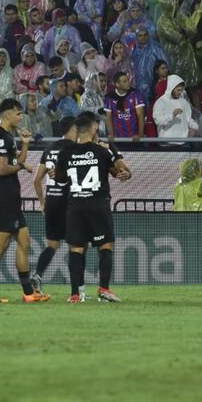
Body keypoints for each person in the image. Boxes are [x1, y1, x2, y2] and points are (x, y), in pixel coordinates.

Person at [54, 112, 132, 303]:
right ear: (94, 128)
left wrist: (56, 174)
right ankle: (104, 289)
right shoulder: (101, 151)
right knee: (105, 246)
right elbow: (118, 173)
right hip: (98, 205)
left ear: (76, 130)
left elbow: (60, 178)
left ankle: (75, 294)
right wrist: (123, 174)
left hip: (75, 207)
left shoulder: (65, 153)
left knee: (76, 249)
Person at [0, 98, 49, 303]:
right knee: (1, 243)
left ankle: (28, 293)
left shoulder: (7, 136)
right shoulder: (0, 138)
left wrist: (25, 145)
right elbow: (1, 169)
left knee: (23, 241)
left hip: (10, 196)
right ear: (7, 114)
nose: (21, 116)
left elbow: (17, 160)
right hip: (4, 196)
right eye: (18, 113)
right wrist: (20, 167)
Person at [30, 116, 76, 294]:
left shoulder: (49, 149)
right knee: (76, 247)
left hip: (52, 202)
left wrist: (43, 203)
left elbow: (36, 181)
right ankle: (76, 291)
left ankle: (38, 275)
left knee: (52, 245)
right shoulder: (73, 148)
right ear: (73, 129)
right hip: (69, 203)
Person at [104, 71, 145, 142]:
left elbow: (141, 116)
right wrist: (111, 134)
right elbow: (108, 118)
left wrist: (140, 135)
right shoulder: (109, 97)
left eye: (128, 80)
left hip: (135, 139)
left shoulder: (136, 94)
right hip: (118, 139)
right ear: (117, 84)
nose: (128, 83)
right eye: (124, 81)